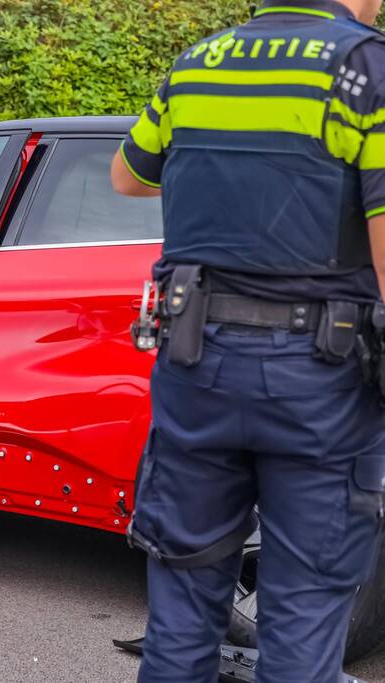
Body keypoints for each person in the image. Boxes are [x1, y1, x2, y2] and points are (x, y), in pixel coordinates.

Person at [111, 1, 385, 681]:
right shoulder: (366, 68)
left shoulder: (196, 62)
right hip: (319, 383)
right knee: (302, 611)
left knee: (179, 607)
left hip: (193, 362)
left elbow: (127, 176)